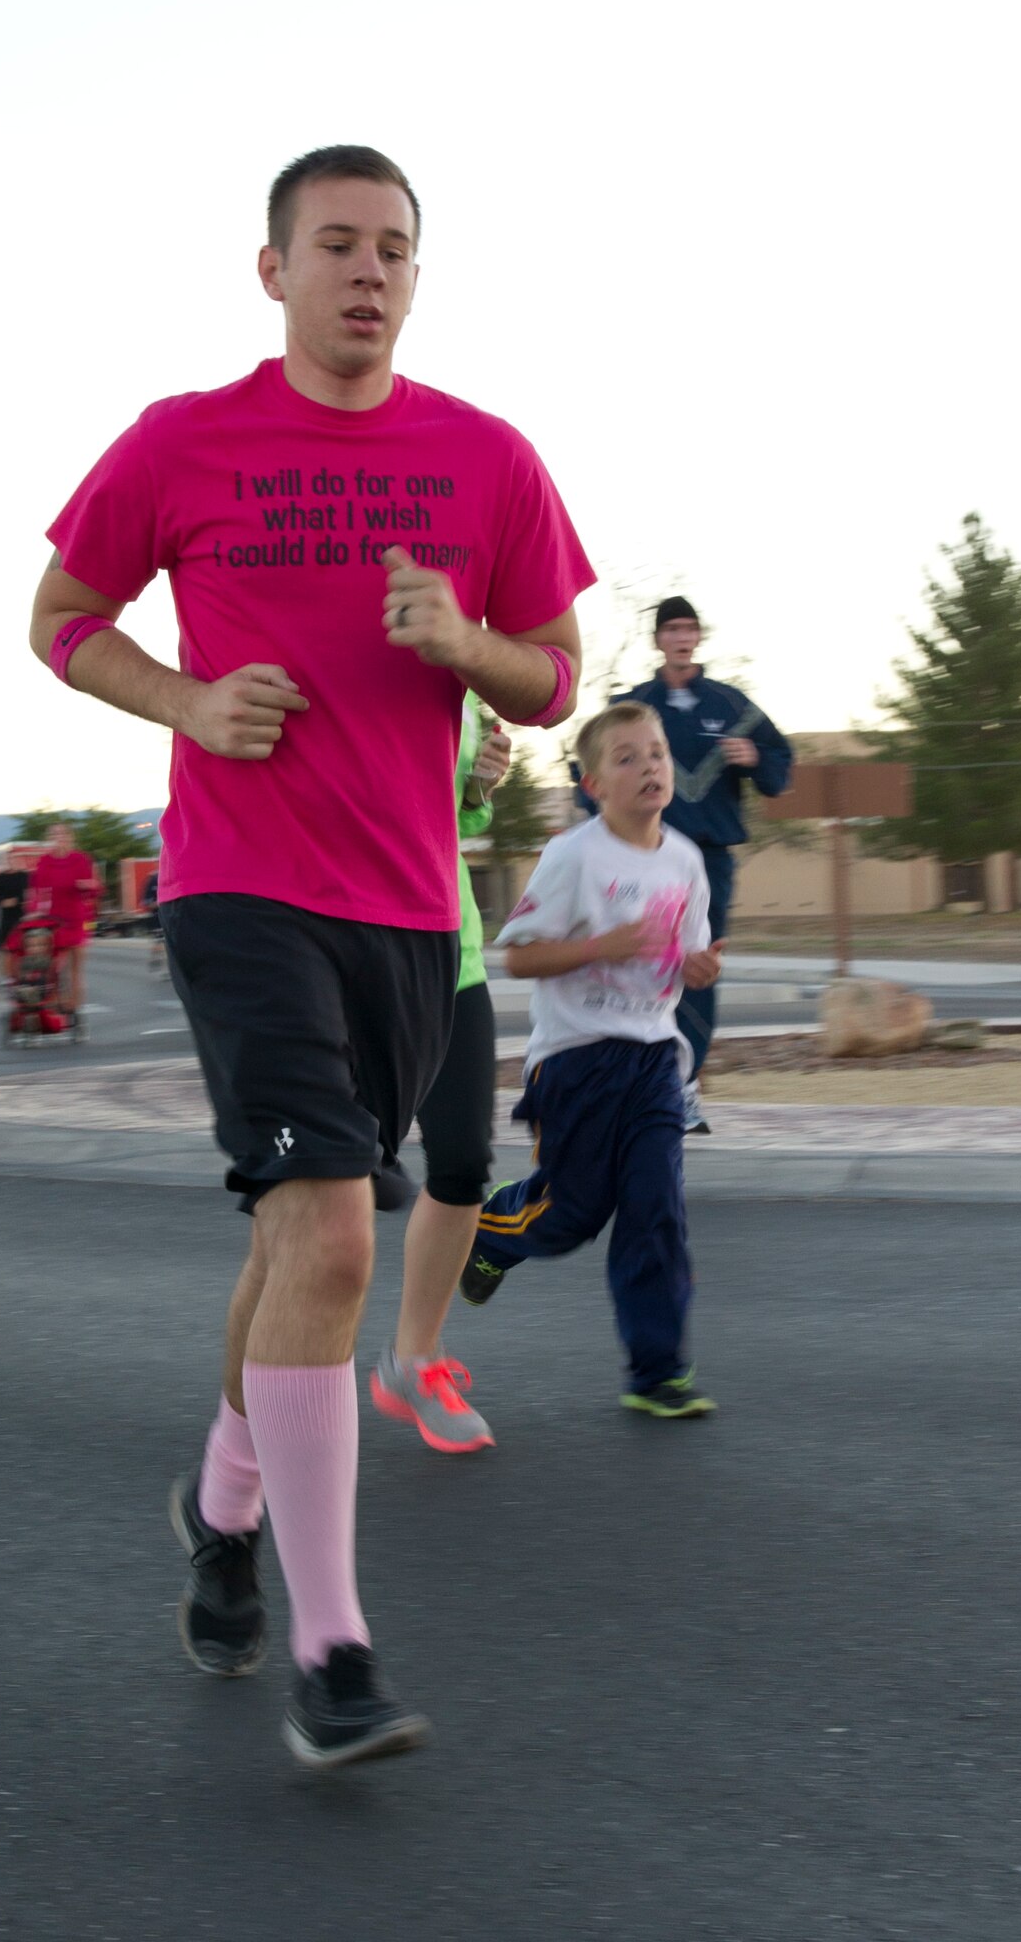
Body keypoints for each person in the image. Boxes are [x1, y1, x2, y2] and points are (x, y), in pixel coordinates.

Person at [29, 145, 593, 1767]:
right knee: (335, 1239)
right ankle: (331, 1649)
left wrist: (464, 644)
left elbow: (551, 675)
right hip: (239, 890)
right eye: (334, 245)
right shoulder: (179, 442)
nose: (367, 272)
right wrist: (188, 706)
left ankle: (218, 1507)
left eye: (393, 250)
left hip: (413, 915)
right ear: (268, 269)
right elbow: (61, 617)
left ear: (416, 278)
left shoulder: (485, 460)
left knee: (295, 1247)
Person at [459, 702, 723, 1418]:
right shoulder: (572, 856)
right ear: (592, 783)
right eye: (627, 757)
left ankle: (656, 1373)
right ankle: (490, 1230)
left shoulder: (685, 862)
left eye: (658, 753)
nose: (649, 767)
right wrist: (596, 948)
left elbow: (680, 959)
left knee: (655, 1211)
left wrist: (695, 970)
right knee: (570, 1215)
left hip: (652, 1063)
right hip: (574, 1061)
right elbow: (517, 956)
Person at [591, 597, 792, 1133]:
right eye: (671, 629)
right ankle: (626, 1085)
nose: (681, 637)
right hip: (636, 857)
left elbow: (780, 762)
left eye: (689, 629)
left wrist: (754, 759)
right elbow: (588, 771)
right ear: (658, 639)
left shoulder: (731, 707)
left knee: (698, 967)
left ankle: (685, 1088)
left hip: (706, 859)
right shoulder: (632, 708)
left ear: (698, 638)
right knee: (633, 966)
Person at [369, 695, 510, 1451]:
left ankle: (411, 1362)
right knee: (328, 1183)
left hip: (448, 952)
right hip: (339, 950)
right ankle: (274, 1389)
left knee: (461, 1164)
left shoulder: (465, 692)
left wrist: (477, 789)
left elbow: (450, 822)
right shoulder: (325, 649)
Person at [27, 822, 99, 1027]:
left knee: (77, 967)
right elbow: (36, 890)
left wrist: (88, 887)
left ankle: (74, 1008)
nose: (59, 838)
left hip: (76, 917)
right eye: (55, 834)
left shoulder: (80, 859)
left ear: (70, 837)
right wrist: (33, 913)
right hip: (53, 919)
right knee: (54, 967)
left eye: (63, 834)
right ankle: (58, 1003)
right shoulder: (45, 861)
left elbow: (94, 890)